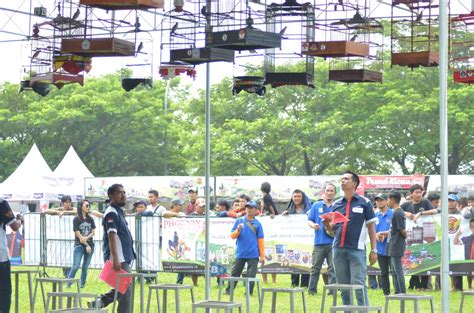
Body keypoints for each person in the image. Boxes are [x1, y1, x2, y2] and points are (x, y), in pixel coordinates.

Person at [323, 171, 377, 306]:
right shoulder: (336, 204)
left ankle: (363, 310)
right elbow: (333, 230)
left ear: (354, 184)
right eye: (341, 179)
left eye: (346, 179)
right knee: (343, 286)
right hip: (338, 249)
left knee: (359, 284)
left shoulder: (365, 202)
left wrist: (374, 250)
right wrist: (327, 225)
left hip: (357, 249)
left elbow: (371, 228)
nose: (342, 181)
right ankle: (348, 310)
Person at [89, 184, 136, 312]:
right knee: (126, 291)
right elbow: (111, 236)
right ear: (111, 196)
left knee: (125, 288)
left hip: (124, 256)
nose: (123, 195)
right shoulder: (111, 212)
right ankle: (102, 301)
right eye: (119, 193)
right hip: (118, 258)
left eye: (124, 192)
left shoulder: (118, 211)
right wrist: (115, 258)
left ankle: (101, 301)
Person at [226, 200, 265, 295]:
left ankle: (249, 293)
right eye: (247, 207)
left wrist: (262, 256)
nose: (248, 209)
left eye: (251, 208)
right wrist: (238, 230)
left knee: (251, 275)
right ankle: (228, 291)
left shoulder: (258, 224)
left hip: (253, 253)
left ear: (256, 210)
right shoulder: (239, 221)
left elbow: (261, 240)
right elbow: (232, 236)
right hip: (240, 253)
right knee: (234, 273)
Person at [401, 184, 433, 290]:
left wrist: (421, 213)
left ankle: (424, 285)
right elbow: (397, 211)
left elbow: (435, 211)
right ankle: (413, 284)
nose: (419, 194)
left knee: (423, 258)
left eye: (420, 192)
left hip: (425, 235)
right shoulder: (406, 205)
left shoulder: (425, 202)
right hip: (411, 236)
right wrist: (407, 214)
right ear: (411, 194)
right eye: (416, 192)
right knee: (413, 258)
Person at [307, 183, 337, 295]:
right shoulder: (316, 205)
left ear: (335, 193)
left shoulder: (337, 206)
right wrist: (313, 225)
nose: (329, 193)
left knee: (332, 269)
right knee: (315, 268)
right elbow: (309, 220)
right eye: (327, 190)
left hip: (333, 243)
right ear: (324, 192)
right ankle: (311, 291)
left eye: (331, 191)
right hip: (319, 242)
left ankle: (332, 292)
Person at [283, 189, 312, 288]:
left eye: (299, 196)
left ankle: (305, 284)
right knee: (293, 260)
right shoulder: (289, 210)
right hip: (293, 240)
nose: (296, 198)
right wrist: (283, 217)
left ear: (302, 198)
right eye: (295, 196)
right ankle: (294, 283)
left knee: (305, 260)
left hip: (306, 240)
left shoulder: (308, 210)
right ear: (292, 198)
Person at [67, 200, 96, 288]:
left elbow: (93, 232)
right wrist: (86, 244)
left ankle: (82, 285)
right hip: (79, 245)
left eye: (89, 205)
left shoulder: (90, 218)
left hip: (90, 244)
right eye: (86, 205)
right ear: (81, 206)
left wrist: (86, 240)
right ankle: (68, 284)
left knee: (85, 267)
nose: (88, 207)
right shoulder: (76, 219)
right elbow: (77, 233)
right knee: (75, 266)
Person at [1, 198, 21, 313]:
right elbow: (14, 227)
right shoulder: (2, 203)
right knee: (4, 291)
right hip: (1, 256)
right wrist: (19, 221)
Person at [387, 190, 407, 294]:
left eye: (388, 199)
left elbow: (402, 230)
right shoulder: (396, 212)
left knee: (398, 271)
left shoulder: (398, 213)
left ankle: (402, 292)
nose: (387, 202)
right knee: (394, 271)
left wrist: (407, 236)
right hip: (393, 244)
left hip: (397, 245)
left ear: (393, 199)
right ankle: (397, 291)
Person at [373, 193, 393, 295]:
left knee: (395, 272)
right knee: (384, 272)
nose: (379, 202)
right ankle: (386, 293)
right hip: (380, 248)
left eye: (381, 200)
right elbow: (372, 231)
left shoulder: (392, 213)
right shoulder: (375, 215)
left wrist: (386, 234)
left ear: (386, 201)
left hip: (392, 248)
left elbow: (396, 230)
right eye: (377, 200)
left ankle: (399, 292)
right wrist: (376, 235)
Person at [454, 218, 474, 289]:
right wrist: (457, 234)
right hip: (469, 259)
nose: (473, 228)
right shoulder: (467, 238)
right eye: (472, 226)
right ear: (469, 227)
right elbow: (455, 242)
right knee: (470, 272)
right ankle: (469, 286)